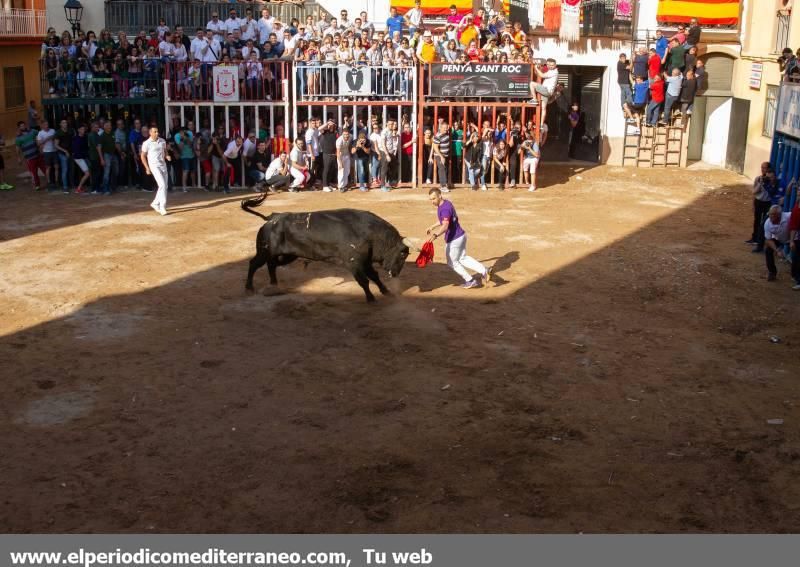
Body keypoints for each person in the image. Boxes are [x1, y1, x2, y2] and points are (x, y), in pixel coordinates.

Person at [425, 188, 492, 289]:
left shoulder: (444, 209)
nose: (432, 201)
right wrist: (432, 226)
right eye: (430, 199)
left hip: (454, 239)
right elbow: (443, 220)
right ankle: (484, 270)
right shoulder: (446, 203)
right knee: (462, 258)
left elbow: (445, 225)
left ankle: (470, 280)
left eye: (433, 199)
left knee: (452, 262)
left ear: (440, 196)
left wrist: (435, 235)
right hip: (461, 236)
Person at [748, 163, 779, 252]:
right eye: (761, 167)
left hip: (768, 203)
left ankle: (762, 241)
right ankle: (755, 238)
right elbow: (754, 192)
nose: (762, 169)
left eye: (764, 168)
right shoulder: (758, 179)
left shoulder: (772, 180)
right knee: (757, 220)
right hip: (759, 201)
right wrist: (761, 183)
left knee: (764, 223)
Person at [140, 125, 169, 216]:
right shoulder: (146, 143)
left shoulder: (162, 141)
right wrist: (147, 168)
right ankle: (162, 207)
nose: (157, 133)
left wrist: (167, 156)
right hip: (154, 166)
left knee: (165, 186)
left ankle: (155, 203)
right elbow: (142, 156)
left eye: (157, 131)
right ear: (150, 133)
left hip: (163, 165)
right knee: (162, 185)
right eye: (155, 132)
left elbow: (165, 150)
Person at [763, 205, 792, 282]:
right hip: (780, 239)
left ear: (779, 215)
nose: (770, 216)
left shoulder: (789, 216)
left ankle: (796, 276)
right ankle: (772, 272)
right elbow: (768, 240)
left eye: (773, 214)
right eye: (770, 214)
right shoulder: (767, 223)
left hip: (793, 239)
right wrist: (777, 250)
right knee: (768, 250)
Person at [15, 121, 45, 192]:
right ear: (19, 128)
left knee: (45, 169)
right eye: (21, 126)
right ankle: (37, 185)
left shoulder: (32, 131)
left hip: (38, 155)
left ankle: (51, 182)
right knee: (34, 172)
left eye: (24, 125)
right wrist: (19, 158)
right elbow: (17, 148)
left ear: (26, 125)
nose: (23, 127)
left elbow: (40, 134)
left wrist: (41, 146)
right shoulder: (18, 137)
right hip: (30, 158)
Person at [530, 58, 558, 128]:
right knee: (543, 108)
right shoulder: (551, 71)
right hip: (548, 92)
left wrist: (536, 68)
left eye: (552, 65)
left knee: (531, 84)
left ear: (555, 65)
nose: (550, 66)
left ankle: (534, 99)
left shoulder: (553, 71)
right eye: (548, 65)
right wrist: (538, 69)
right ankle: (541, 125)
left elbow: (542, 75)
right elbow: (541, 74)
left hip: (546, 90)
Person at [36, 120, 58, 190]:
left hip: (54, 151)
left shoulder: (53, 130)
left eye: (47, 124)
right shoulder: (40, 133)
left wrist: (52, 138)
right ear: (42, 126)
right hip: (46, 152)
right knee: (48, 167)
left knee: (56, 166)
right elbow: (38, 144)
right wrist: (47, 139)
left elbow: (56, 138)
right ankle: (49, 182)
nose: (47, 126)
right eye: (45, 125)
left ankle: (56, 181)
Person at [318, 118, 337, 192]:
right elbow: (319, 128)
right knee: (326, 169)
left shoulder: (335, 132)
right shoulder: (325, 132)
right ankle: (324, 186)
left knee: (331, 170)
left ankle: (328, 185)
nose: (330, 125)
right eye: (329, 124)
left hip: (333, 154)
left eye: (332, 124)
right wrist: (327, 123)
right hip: (326, 153)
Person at [431, 121, 450, 193]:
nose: (446, 129)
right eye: (444, 128)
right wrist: (441, 156)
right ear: (440, 128)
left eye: (447, 128)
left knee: (445, 169)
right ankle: (443, 186)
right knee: (442, 169)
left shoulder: (446, 134)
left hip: (445, 155)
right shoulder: (437, 136)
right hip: (439, 156)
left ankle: (444, 184)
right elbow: (435, 148)